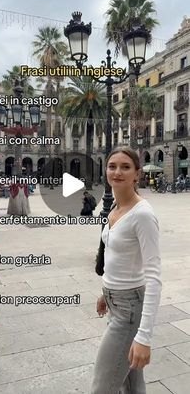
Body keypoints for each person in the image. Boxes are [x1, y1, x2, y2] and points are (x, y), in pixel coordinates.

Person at [91, 146, 162, 394]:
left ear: (137, 174)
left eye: (125, 167)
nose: (117, 172)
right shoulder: (115, 209)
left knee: (102, 386)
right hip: (117, 303)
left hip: (130, 310)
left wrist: (144, 337)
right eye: (112, 166)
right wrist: (106, 293)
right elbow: (115, 256)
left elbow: (153, 277)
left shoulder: (142, 214)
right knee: (131, 384)